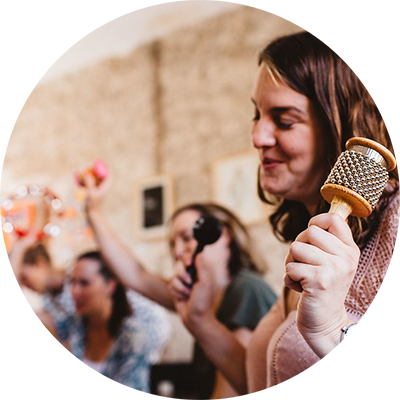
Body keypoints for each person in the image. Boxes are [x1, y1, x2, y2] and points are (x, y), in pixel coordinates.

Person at [170, 31, 400, 399]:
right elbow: (268, 385)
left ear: (333, 124)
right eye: (257, 115)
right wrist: (199, 322)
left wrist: (332, 330)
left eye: (284, 120)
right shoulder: (309, 239)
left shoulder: (395, 226)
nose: (258, 136)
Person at [83, 173, 277, 399]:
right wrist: (93, 211)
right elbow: (136, 276)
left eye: (186, 237)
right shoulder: (199, 298)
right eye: (173, 243)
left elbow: (233, 392)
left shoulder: (247, 290)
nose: (177, 251)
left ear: (223, 235)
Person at [11, 237, 171, 391]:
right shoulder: (65, 316)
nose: (75, 291)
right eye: (73, 282)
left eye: (23, 277)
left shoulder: (134, 333)